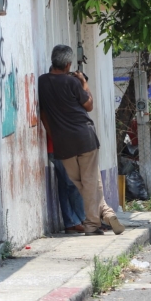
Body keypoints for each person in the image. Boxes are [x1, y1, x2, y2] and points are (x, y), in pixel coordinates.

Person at [39, 45, 124, 236]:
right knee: (90, 182)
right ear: (69, 64)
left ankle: (97, 219)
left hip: (63, 143)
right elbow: (89, 105)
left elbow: (44, 114)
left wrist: (54, 136)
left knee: (80, 183)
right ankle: (98, 219)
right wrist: (84, 82)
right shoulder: (73, 83)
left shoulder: (42, 82)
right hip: (85, 137)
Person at [47, 134, 85, 234]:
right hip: (61, 148)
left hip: (61, 148)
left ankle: (71, 223)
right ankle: (85, 220)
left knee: (64, 186)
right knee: (73, 184)